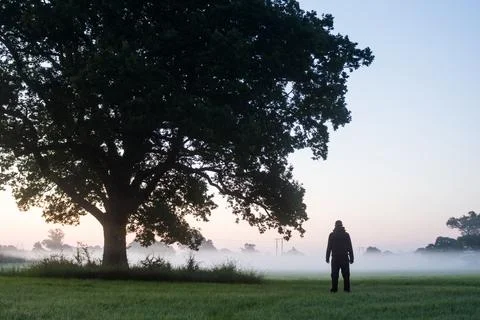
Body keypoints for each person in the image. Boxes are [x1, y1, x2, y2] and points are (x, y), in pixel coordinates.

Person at [326, 220, 354, 292]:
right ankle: (347, 289)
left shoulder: (332, 235)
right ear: (342, 225)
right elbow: (350, 247)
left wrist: (327, 257)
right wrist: (351, 258)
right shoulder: (346, 235)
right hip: (344, 257)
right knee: (346, 275)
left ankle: (334, 289)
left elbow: (329, 247)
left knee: (334, 275)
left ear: (335, 225)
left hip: (335, 258)